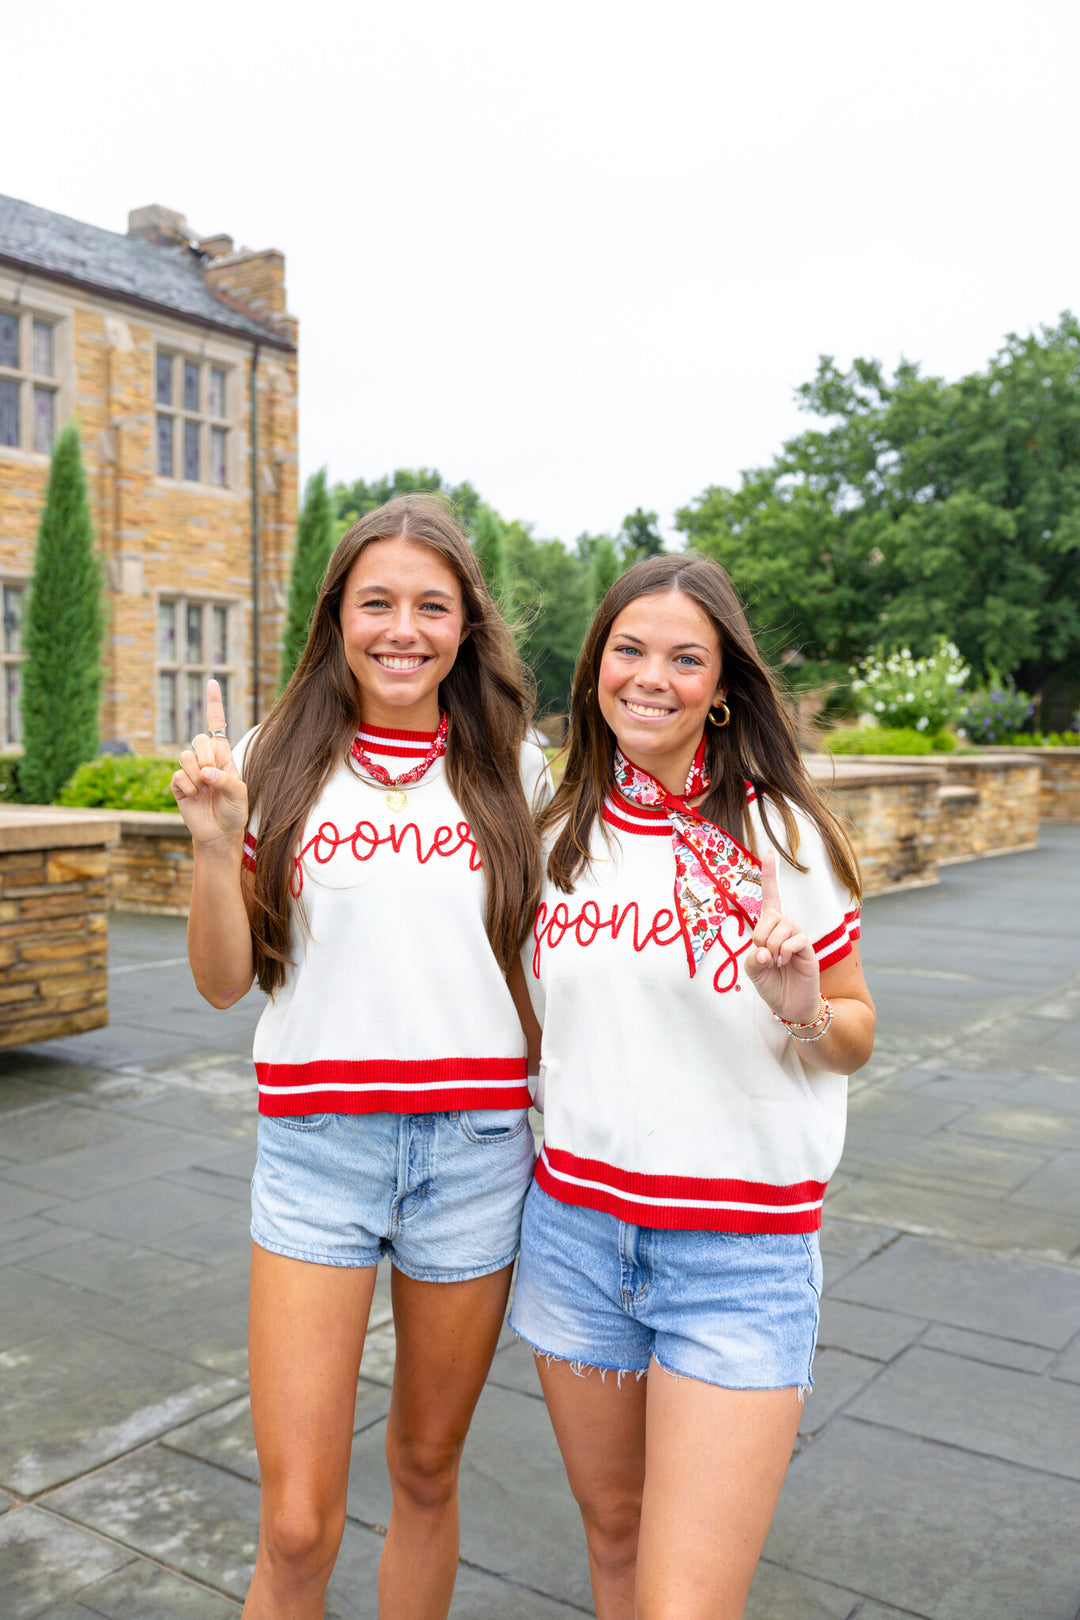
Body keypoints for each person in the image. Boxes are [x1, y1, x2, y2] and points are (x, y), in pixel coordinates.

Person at [170, 495, 547, 1620]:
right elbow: (223, 981)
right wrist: (207, 840)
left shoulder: (515, 771)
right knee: (295, 1523)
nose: (403, 629)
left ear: (466, 628)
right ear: (337, 615)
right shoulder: (266, 760)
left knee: (427, 1471)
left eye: (433, 607)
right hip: (316, 1155)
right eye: (377, 602)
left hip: (476, 1157)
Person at [509, 554, 876, 1620]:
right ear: (594, 668)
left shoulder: (782, 837)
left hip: (739, 1254)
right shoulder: (556, 836)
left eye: (684, 658)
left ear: (721, 689)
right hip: (577, 1239)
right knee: (615, 1544)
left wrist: (800, 1000)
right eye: (629, 650)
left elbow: (851, 1034)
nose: (650, 677)